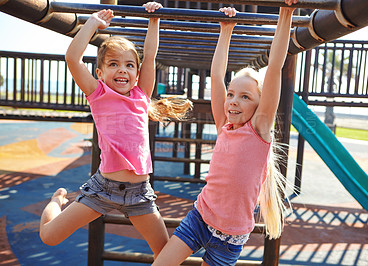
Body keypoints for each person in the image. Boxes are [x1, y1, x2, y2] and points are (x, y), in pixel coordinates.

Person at [39, 2, 192, 259]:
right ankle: (56, 201)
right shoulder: (98, 94)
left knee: (165, 255)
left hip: (139, 194)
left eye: (130, 65)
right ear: (100, 72)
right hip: (103, 189)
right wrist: (92, 24)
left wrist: (154, 20)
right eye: (113, 64)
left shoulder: (141, 95)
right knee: (49, 236)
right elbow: (72, 58)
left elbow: (150, 56)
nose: (122, 69)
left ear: (136, 73)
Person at [152, 1, 297, 265]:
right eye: (231, 95)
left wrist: (286, 13)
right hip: (199, 218)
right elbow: (217, 75)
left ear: (259, 105)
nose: (232, 101)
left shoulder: (259, 130)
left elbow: (275, 66)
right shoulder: (224, 127)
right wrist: (226, 30)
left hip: (230, 238)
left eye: (244, 97)